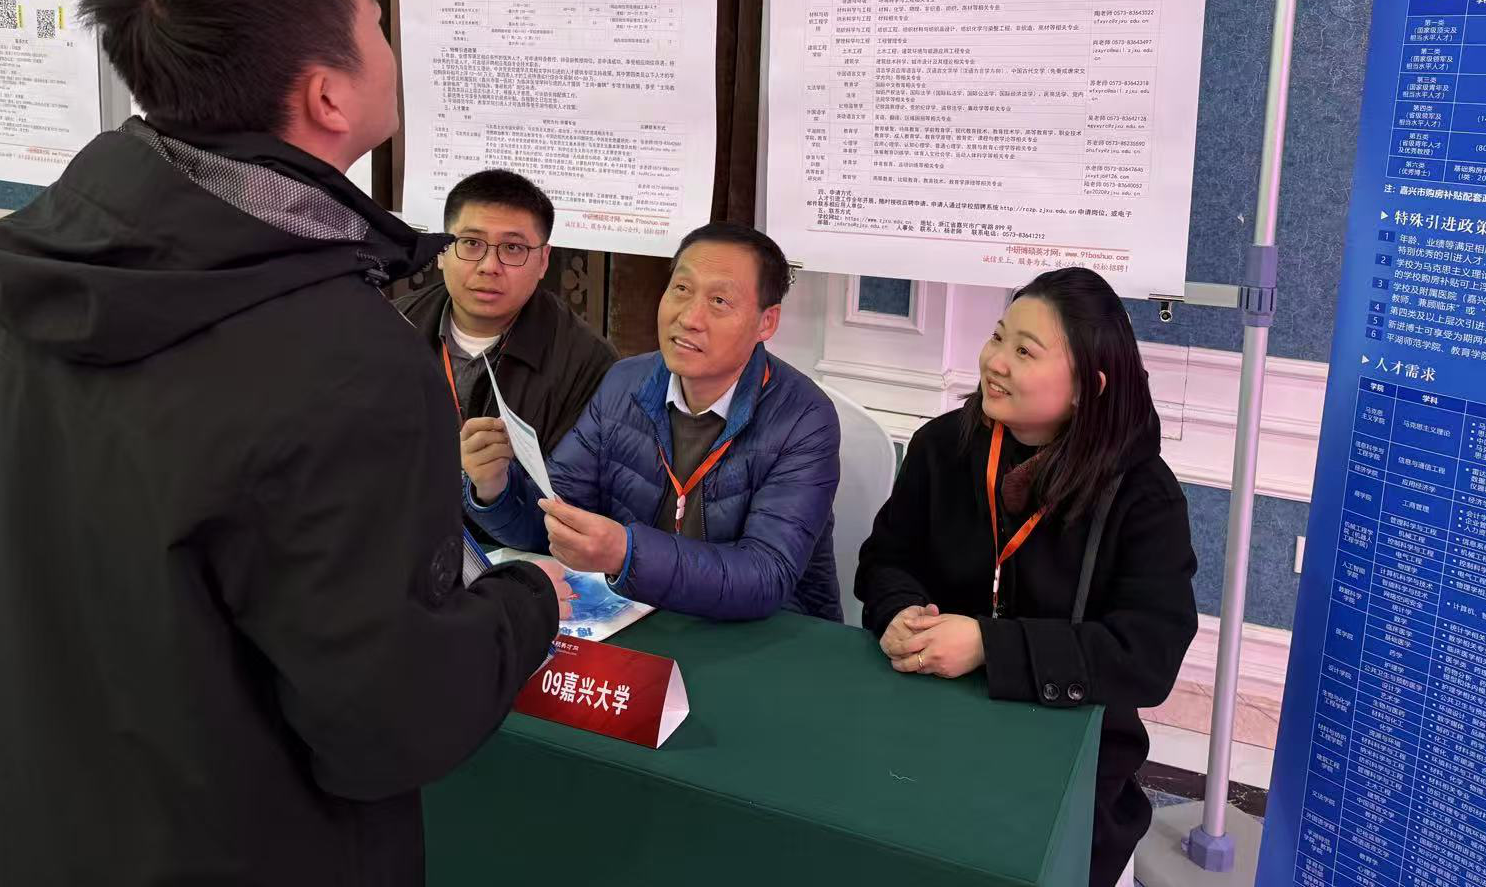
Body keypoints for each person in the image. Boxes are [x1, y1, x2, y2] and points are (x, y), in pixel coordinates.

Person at [0, 0, 564, 887]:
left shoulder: (14, 289)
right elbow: (387, 723)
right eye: (373, 16)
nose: (388, 36)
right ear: (327, 96)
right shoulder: (345, 362)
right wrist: (526, 604)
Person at [856, 268, 1197, 887]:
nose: (995, 362)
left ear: (1088, 387)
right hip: (926, 727)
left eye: (1024, 351)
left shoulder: (1142, 494)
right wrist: (899, 610)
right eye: (997, 337)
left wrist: (989, 645)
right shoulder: (944, 447)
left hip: (1066, 760)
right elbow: (885, 560)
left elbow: (1148, 656)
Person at [471, 222, 844, 621]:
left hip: (768, 633)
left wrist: (626, 553)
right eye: (681, 289)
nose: (689, 317)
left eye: (719, 301)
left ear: (766, 322)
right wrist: (495, 489)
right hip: (639, 614)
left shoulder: (805, 419)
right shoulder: (624, 383)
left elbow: (766, 576)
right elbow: (556, 522)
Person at [394, 169, 616, 565]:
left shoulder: (588, 363)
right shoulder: (391, 327)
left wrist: (492, 491)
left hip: (511, 563)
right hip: (396, 549)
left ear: (543, 260)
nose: (489, 266)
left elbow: (572, 515)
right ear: (441, 251)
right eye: (471, 243)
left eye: (512, 249)